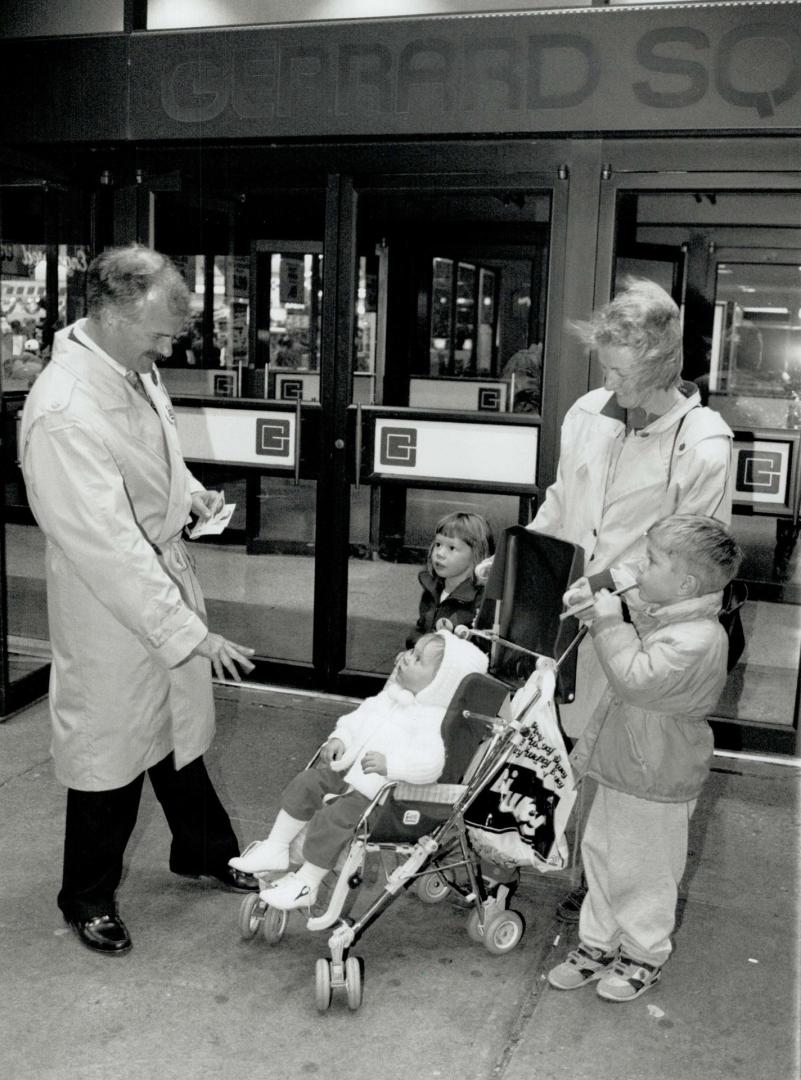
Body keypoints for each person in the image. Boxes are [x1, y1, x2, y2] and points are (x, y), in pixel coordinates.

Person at [19, 244, 257, 957]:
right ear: (111, 314)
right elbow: (106, 547)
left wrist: (190, 497)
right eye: (158, 332)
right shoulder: (62, 410)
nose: (168, 346)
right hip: (109, 605)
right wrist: (186, 630)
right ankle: (85, 896)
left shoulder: (131, 371)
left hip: (152, 577)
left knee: (174, 735)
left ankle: (203, 850)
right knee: (111, 754)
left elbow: (160, 457)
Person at [479, 278, 735, 921]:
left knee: (610, 754)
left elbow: (693, 555)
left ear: (660, 364)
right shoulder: (588, 411)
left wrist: (605, 592)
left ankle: (601, 888)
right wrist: (518, 560)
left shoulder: (703, 442)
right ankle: (552, 857)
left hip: (633, 625)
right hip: (563, 606)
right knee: (553, 738)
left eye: (623, 370)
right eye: (606, 365)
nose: (611, 380)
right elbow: (564, 501)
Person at [547, 515, 742, 1002]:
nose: (639, 567)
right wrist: (595, 600)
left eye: (651, 560)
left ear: (686, 583)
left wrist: (609, 620)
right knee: (603, 856)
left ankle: (643, 953)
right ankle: (597, 942)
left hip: (657, 776)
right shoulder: (675, 614)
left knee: (646, 871)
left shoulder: (700, 639)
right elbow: (639, 602)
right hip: (624, 764)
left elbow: (635, 677)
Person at [229, 630, 489, 911]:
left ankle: (308, 881)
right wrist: (340, 737)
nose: (405, 658)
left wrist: (392, 765)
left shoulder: (432, 721)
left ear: (441, 683)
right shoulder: (390, 698)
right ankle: (276, 847)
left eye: (418, 659)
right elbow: (356, 719)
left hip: (378, 798)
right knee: (305, 783)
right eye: (411, 652)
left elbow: (432, 764)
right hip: (349, 774)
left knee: (331, 819)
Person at [407, 511, 493, 648]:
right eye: (438, 544)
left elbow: (481, 647)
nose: (439, 553)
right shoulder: (432, 587)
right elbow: (421, 629)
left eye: (452, 547)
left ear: (476, 554)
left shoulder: (480, 599)